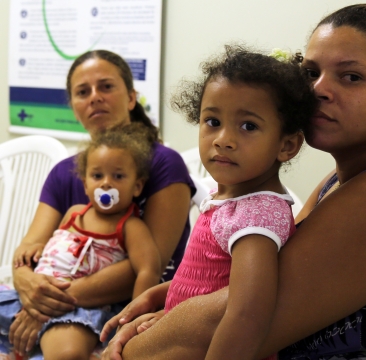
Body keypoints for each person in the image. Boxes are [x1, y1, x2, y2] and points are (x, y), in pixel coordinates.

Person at [102, 4, 366, 360]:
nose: (318, 90)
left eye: (351, 77)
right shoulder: (353, 177)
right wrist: (171, 296)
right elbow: (265, 274)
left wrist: (119, 352)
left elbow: (228, 323)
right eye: (312, 71)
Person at [100, 45, 316, 360]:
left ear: (287, 145)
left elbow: (247, 314)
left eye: (248, 126)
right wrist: (157, 296)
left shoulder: (257, 217)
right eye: (212, 121)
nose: (222, 139)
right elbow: (211, 277)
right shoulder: (230, 199)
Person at [3, 49, 195, 357]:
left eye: (106, 86)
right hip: (53, 298)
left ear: (131, 98)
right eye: (83, 92)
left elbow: (147, 268)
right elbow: (28, 250)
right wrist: (24, 280)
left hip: (137, 307)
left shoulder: (163, 163)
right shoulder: (62, 174)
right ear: (74, 108)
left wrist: (45, 304)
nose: (94, 97)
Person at [1, 123, 162, 359]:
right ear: (86, 184)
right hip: (31, 297)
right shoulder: (74, 213)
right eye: (97, 175)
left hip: (82, 310)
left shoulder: (131, 227)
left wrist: (131, 320)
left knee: (67, 353)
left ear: (137, 186)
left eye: (118, 176)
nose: (106, 183)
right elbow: (56, 247)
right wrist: (37, 249)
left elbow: (148, 270)